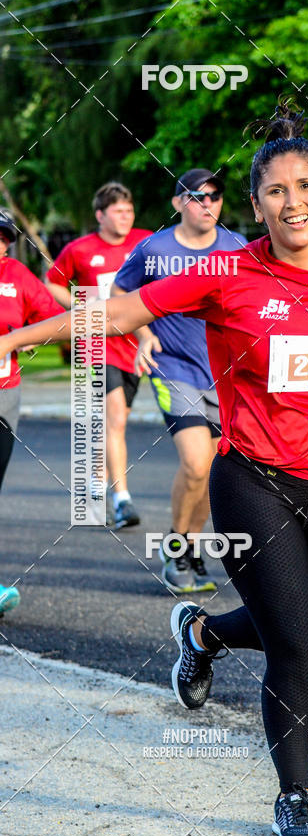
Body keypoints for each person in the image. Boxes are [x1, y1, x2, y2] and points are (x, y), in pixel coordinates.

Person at [0, 103, 308, 836]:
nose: (291, 202)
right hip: (252, 480)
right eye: (274, 191)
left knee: (297, 633)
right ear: (256, 205)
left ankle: (199, 633)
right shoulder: (226, 271)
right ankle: (294, 794)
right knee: (299, 647)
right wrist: (15, 338)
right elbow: (120, 311)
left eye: (304, 187)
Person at [112, 169, 247, 595]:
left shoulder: (238, 247)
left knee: (212, 474)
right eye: (196, 196)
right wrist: (145, 333)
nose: (206, 204)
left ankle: (187, 548)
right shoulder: (154, 248)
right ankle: (178, 548)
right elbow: (119, 295)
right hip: (174, 369)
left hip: (225, 375)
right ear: (177, 204)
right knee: (195, 463)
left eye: (214, 196)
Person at [45, 182, 151, 529]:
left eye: (129, 210)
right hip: (95, 344)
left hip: (134, 345)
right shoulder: (80, 249)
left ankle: (93, 490)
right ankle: (122, 499)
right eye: (118, 211)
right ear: (100, 215)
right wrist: (80, 306)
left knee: (113, 426)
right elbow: (52, 282)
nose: (125, 217)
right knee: (116, 419)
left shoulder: (145, 242)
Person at [0, 218, 63, 615]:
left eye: (4, 239)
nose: (0, 245)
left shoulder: (16, 275)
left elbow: (55, 320)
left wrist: (19, 337)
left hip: (4, 394)